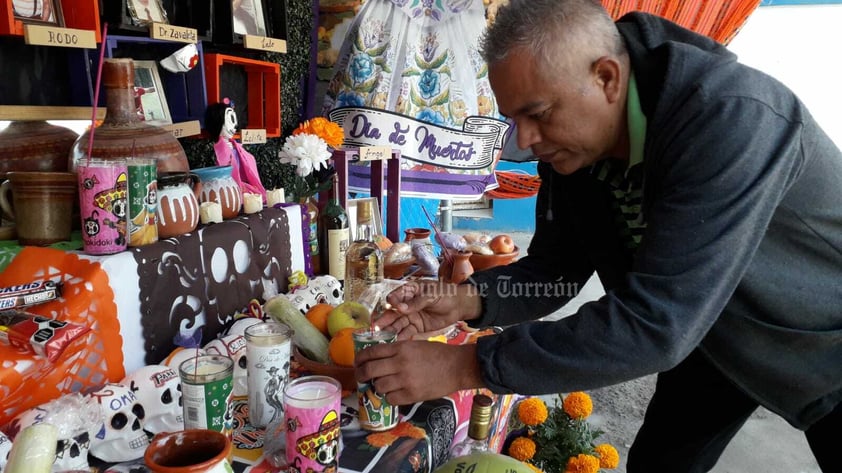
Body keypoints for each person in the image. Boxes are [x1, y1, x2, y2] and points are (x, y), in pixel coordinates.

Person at [354, 0, 842, 471]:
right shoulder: (575, 152)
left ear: (606, 77)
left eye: (538, 113)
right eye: (514, 118)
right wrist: (463, 299)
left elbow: (656, 323)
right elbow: (555, 271)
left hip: (823, 346)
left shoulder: (730, 118)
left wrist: (465, 366)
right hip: (711, 339)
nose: (523, 141)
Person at [205, 100, 267, 201]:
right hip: (226, 195)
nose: (234, 126)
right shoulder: (212, 151)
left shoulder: (237, 147)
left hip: (246, 190)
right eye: (229, 120)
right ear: (217, 122)